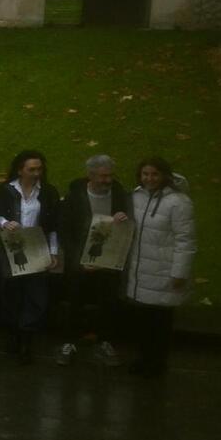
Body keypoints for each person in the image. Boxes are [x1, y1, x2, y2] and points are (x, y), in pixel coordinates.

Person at [124, 157, 196, 378]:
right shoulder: (136, 196)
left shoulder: (179, 202)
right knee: (143, 320)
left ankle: (156, 363)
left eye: (154, 174)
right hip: (140, 269)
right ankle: (143, 359)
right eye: (145, 174)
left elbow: (185, 240)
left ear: (164, 175)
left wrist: (179, 273)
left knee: (160, 321)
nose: (149, 178)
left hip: (164, 271)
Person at [57, 154, 130, 367]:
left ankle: (105, 342)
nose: (108, 180)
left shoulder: (118, 194)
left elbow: (126, 223)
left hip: (109, 260)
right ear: (90, 175)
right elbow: (65, 232)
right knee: (75, 302)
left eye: (110, 175)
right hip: (80, 262)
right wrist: (78, 261)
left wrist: (122, 218)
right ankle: (69, 343)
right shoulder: (74, 197)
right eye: (103, 176)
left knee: (108, 302)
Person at [0, 149, 61, 364]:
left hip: (37, 247)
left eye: (39, 169)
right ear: (20, 170)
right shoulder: (6, 190)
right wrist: (5, 223)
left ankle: (27, 338)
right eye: (31, 169)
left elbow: (53, 226)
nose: (36, 173)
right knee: (11, 292)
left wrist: (53, 252)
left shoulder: (48, 192)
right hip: (12, 248)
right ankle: (13, 333)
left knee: (35, 294)